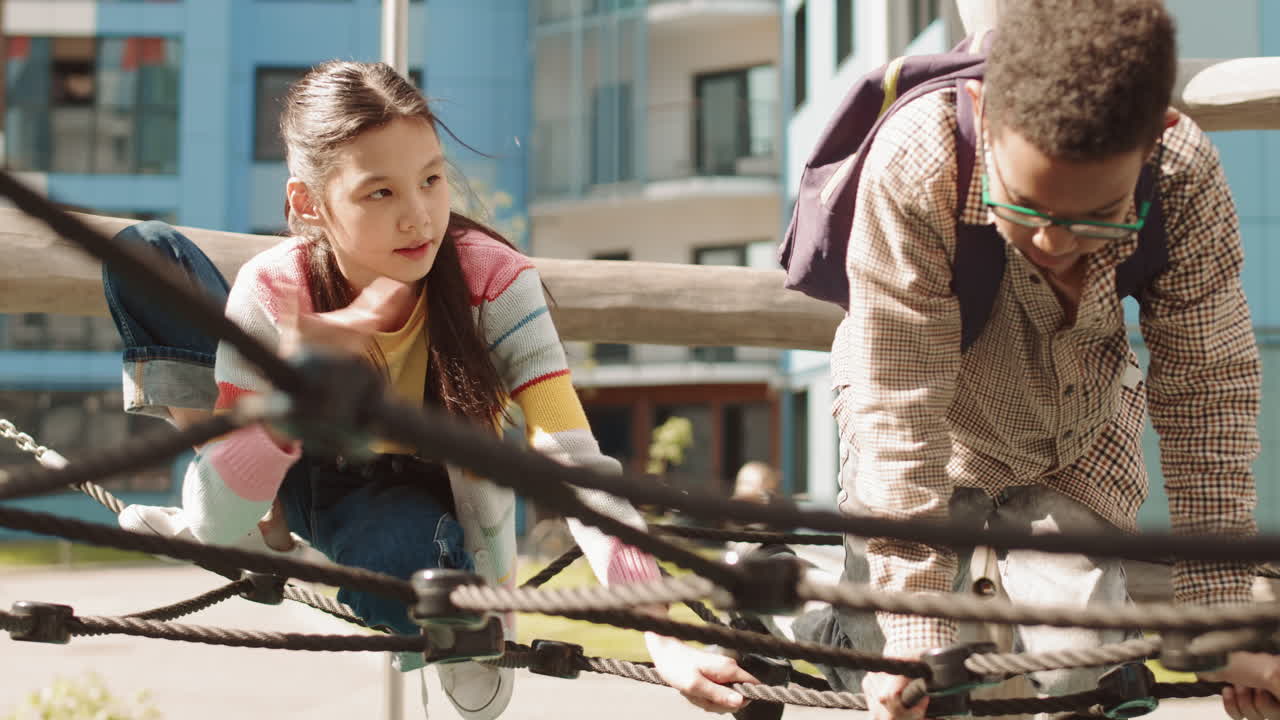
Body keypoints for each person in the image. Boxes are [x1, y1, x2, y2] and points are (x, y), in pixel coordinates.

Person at [101, 60, 756, 719]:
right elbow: (216, 510)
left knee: (417, 577)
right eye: (379, 193)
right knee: (146, 253)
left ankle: (453, 620)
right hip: (296, 466)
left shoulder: (492, 283)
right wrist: (291, 405)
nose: (419, 216)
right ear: (308, 204)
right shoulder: (274, 292)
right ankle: (261, 532)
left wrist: (662, 629)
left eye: (432, 179)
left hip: (416, 493)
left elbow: (575, 462)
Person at [786, 2, 1280, 719]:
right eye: (1028, 206)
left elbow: (1209, 397)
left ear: (1156, 141)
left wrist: (1223, 628)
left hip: (1080, 427)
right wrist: (914, 638)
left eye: (1094, 218)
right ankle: (784, 593)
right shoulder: (921, 162)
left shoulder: (1183, 173)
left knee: (1084, 659)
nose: (1053, 244)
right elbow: (899, 411)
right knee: (880, 656)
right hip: (934, 418)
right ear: (985, 111)